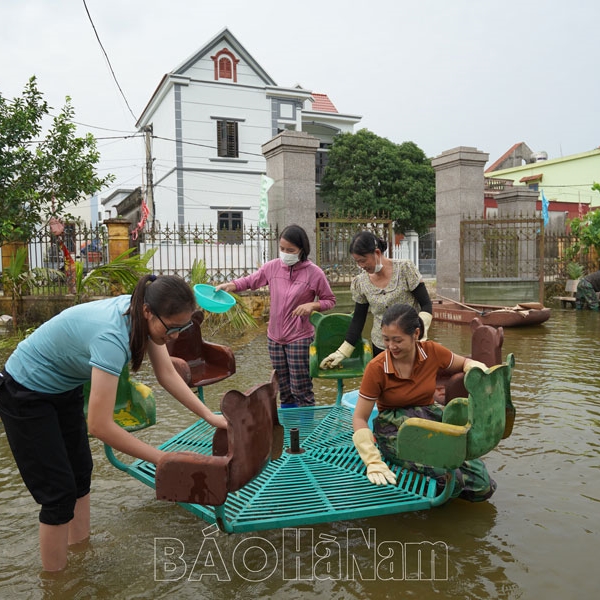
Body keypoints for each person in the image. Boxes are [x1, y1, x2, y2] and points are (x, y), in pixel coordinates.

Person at [0, 274, 227, 572]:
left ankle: (79, 551)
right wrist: (163, 459)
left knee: (81, 474)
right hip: (24, 390)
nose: (174, 337)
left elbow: (167, 375)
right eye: (172, 328)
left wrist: (209, 416)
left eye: (183, 328)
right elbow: (100, 425)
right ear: (148, 311)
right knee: (58, 494)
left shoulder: (143, 315)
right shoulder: (112, 337)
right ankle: (56, 584)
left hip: (63, 387)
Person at [352, 303, 496, 502]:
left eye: (397, 340)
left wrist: (474, 366)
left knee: (481, 482)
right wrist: (371, 459)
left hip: (429, 417)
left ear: (416, 334)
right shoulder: (376, 368)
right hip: (395, 429)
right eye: (386, 340)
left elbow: (462, 362)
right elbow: (360, 417)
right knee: (444, 475)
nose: (391, 346)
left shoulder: (431, 351)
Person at [216, 224, 336, 407]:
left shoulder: (314, 273)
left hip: (299, 337)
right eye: (282, 249)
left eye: (291, 250)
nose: (285, 253)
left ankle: (306, 430)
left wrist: (312, 305)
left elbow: (330, 300)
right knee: (283, 390)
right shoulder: (272, 267)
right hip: (274, 338)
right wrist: (230, 286)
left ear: (302, 250)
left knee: (301, 388)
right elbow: (250, 281)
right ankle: (288, 429)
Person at [320, 230, 433, 369]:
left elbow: (426, 304)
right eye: (357, 262)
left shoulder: (404, 269)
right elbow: (358, 319)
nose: (361, 266)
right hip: (381, 346)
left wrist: (419, 331)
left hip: (410, 344)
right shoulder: (360, 283)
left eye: (363, 260)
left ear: (377, 253)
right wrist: (342, 351)